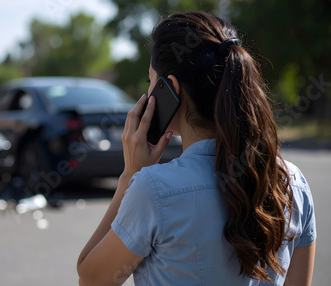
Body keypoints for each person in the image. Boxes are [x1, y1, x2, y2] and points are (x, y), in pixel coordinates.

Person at [77, 11, 316, 286]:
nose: (148, 93)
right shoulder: (293, 183)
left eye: (151, 82)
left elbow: (91, 280)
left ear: (171, 89)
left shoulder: (153, 190)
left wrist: (129, 175)